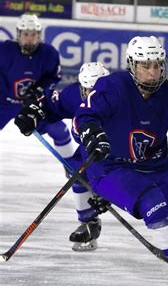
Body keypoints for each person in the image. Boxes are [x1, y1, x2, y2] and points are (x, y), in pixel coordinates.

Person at [73, 36, 168, 286]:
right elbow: (84, 116)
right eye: (145, 65)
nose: (153, 72)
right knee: (153, 202)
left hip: (157, 165)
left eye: (157, 65)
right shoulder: (112, 86)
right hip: (112, 167)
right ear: (132, 65)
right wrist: (91, 133)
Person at [15, 61, 110, 251]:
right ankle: (89, 223)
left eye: (96, 91)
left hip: (122, 152)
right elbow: (51, 105)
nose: (92, 96)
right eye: (87, 90)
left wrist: (107, 191)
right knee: (76, 171)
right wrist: (34, 114)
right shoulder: (75, 94)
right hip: (89, 151)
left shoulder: (120, 100)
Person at [0, 13, 74, 161]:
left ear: (39, 35)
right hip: (4, 102)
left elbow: (53, 76)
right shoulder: (4, 50)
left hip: (33, 103)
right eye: (26, 34)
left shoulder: (49, 53)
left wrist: (38, 91)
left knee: (59, 129)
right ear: (18, 34)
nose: (29, 38)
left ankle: (72, 167)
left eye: (33, 34)